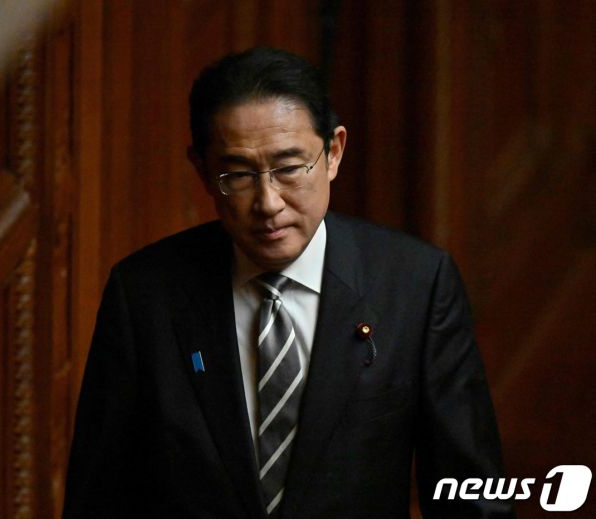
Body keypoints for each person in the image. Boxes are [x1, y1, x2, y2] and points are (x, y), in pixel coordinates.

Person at [63, 47, 514, 518]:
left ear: (333, 153)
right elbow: (97, 498)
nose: (268, 202)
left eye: (290, 169)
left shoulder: (415, 285)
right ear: (203, 170)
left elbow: (474, 495)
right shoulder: (145, 295)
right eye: (238, 174)